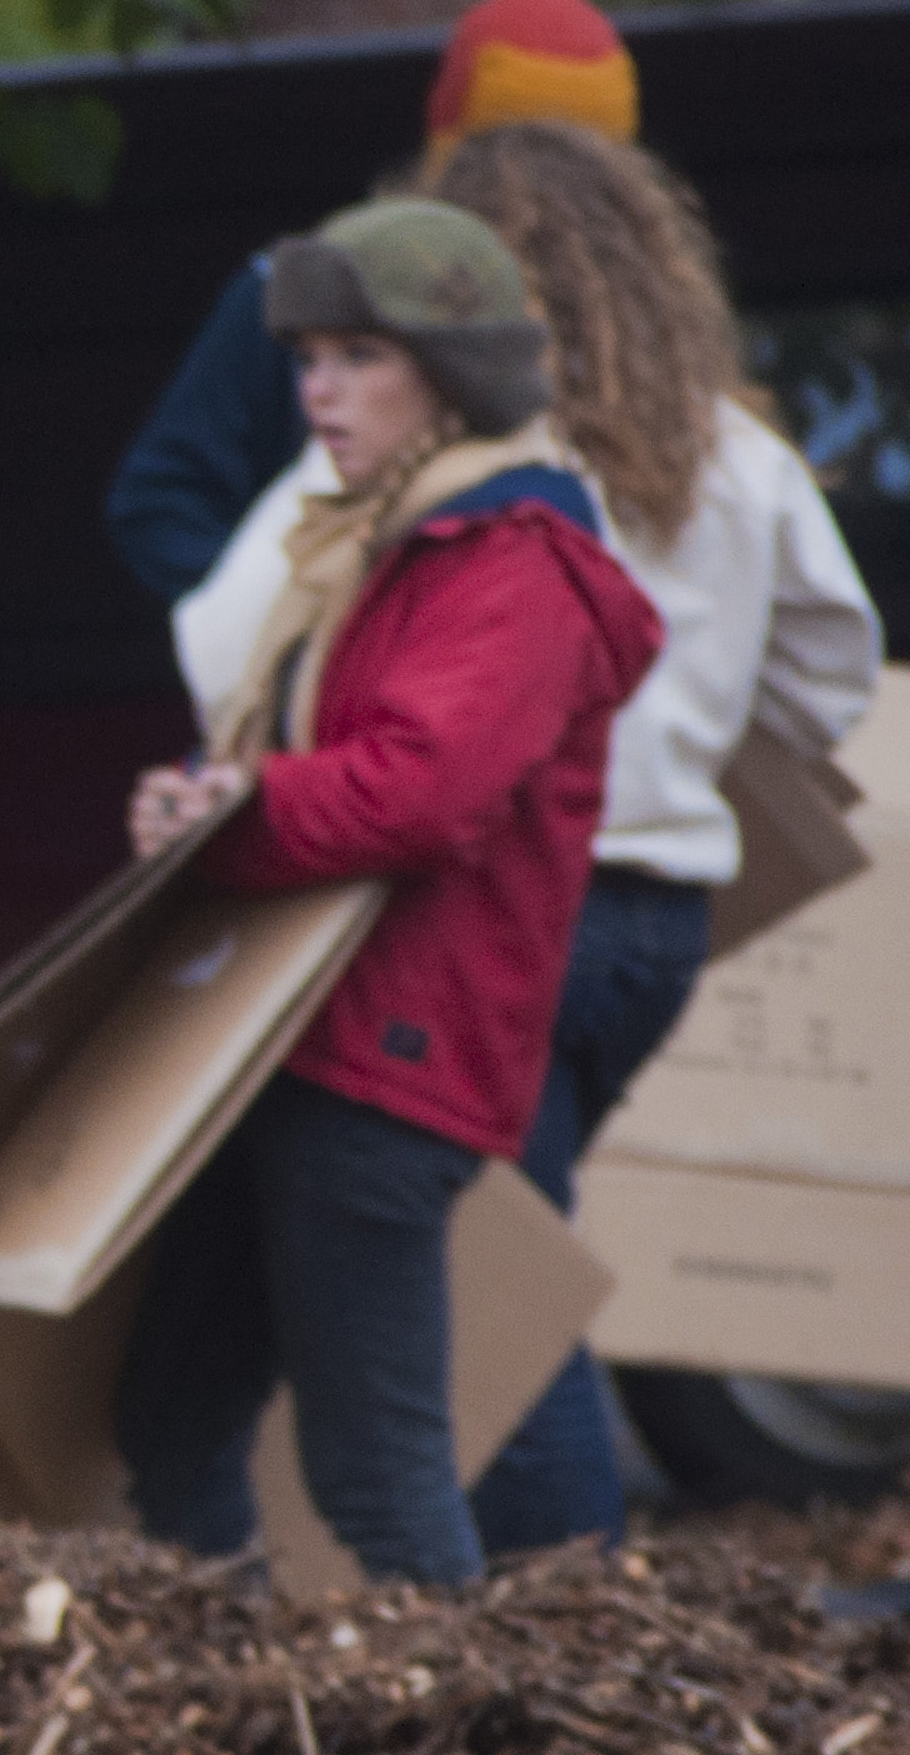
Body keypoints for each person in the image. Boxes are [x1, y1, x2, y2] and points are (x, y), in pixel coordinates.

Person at [165, 129, 879, 1549]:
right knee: (507, 1264)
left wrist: (261, 782)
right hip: (662, 916)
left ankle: (565, 1640)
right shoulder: (732, 450)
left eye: (355, 350)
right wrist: (672, 725)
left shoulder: (427, 491)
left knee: (499, 1291)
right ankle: (546, 1631)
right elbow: (828, 681)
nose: (325, 387)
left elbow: (221, 645)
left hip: (473, 918)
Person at [113, 201, 659, 1594]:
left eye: (360, 353)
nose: (316, 390)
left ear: (454, 372)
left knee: (376, 1475)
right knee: (169, 1419)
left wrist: (231, 814)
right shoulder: (366, 534)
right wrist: (199, 794)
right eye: (307, 355)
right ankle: (232, 1716)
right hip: (286, 1035)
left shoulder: (517, 558)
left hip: (388, 1060)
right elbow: (313, 747)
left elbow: (420, 791)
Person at [105, 0, 640, 604]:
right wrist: (283, 624)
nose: (541, 202)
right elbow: (163, 501)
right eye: (511, 166)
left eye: (360, 355)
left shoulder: (654, 358)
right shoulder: (304, 292)